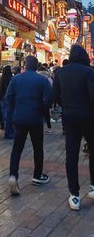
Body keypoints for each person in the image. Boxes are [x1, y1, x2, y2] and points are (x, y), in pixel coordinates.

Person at [52, 45, 94, 211]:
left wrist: (66, 106)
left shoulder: (61, 72)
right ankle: (92, 187)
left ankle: (74, 195)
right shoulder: (90, 72)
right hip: (89, 117)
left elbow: (54, 96)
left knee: (71, 155)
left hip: (70, 118)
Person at [6, 56, 52, 195]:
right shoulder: (42, 80)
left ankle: (13, 175)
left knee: (17, 148)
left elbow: (8, 98)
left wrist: (16, 110)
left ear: (25, 65)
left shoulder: (16, 79)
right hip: (36, 119)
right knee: (38, 147)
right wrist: (42, 110)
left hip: (20, 118)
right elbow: (49, 98)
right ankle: (37, 175)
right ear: (36, 66)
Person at [37, 64, 53, 133]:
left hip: (38, 97)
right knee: (47, 113)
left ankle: (39, 127)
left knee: (38, 113)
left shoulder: (36, 76)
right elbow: (52, 86)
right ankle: (49, 127)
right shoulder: (48, 77)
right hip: (46, 97)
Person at [0, 65, 13, 137]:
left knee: (4, 115)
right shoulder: (11, 78)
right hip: (9, 98)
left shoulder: (1, 79)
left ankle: (6, 130)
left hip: (3, 98)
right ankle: (9, 132)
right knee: (9, 115)